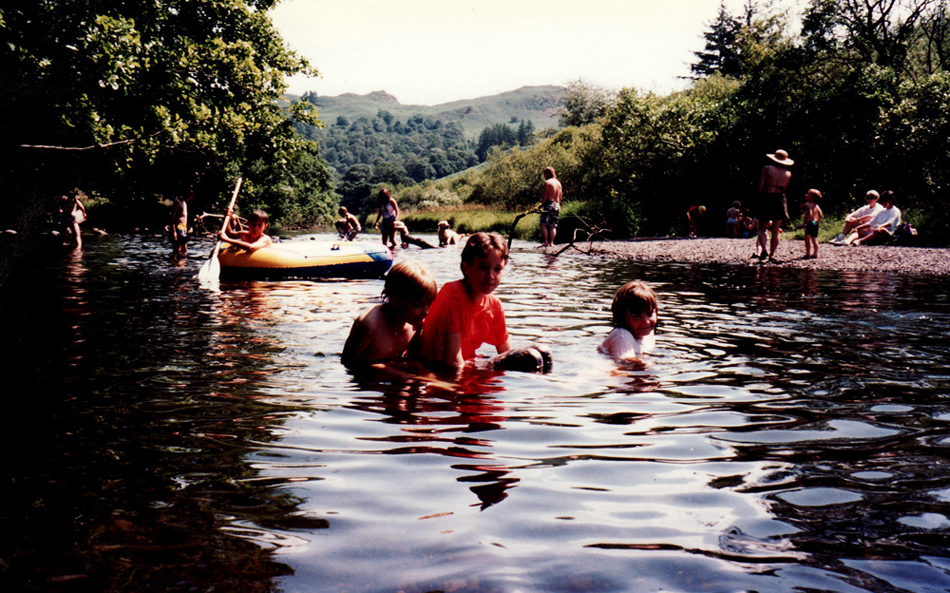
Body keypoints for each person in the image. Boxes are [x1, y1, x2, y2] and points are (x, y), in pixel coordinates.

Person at [419, 232, 551, 373]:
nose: (490, 276)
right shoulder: (453, 295)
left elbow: (506, 351)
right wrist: (486, 368)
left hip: (466, 364)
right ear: (466, 268)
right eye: (483, 267)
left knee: (543, 352)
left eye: (497, 269)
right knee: (531, 358)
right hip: (438, 368)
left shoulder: (494, 304)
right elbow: (453, 363)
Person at [341, 259, 438, 368]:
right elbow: (347, 362)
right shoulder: (370, 324)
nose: (426, 312)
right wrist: (388, 371)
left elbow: (412, 359)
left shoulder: (415, 323)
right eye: (417, 305)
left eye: (429, 304)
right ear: (396, 300)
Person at [598, 280, 658, 360]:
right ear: (622, 317)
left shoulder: (648, 331)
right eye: (637, 317)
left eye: (650, 314)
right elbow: (627, 364)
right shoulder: (622, 336)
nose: (646, 321)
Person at [755, 149, 793, 262]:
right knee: (776, 229)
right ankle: (772, 255)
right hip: (779, 198)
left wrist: (758, 197)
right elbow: (785, 187)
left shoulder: (767, 168)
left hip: (767, 196)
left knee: (762, 228)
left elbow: (760, 185)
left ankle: (764, 250)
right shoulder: (788, 174)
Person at [539, 166, 562, 247]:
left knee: (542, 224)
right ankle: (551, 243)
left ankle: (545, 242)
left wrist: (541, 205)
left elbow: (545, 196)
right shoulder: (558, 183)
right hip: (557, 205)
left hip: (549, 204)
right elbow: (560, 197)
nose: (544, 175)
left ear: (548, 173)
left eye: (545, 173)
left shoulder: (547, 182)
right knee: (553, 225)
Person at [801, 189, 823, 259]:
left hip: (810, 223)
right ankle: (815, 254)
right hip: (815, 223)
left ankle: (807, 254)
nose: (806, 195)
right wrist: (816, 220)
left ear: (813, 197)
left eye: (808, 194)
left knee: (807, 240)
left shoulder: (808, 205)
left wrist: (804, 223)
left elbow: (809, 214)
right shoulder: (816, 205)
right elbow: (820, 214)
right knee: (814, 239)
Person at [171, 188, 193, 257]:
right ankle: (176, 265)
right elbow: (172, 217)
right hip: (179, 227)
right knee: (178, 249)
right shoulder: (178, 202)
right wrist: (174, 231)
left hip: (183, 228)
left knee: (184, 250)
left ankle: (182, 265)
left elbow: (184, 217)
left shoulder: (184, 203)